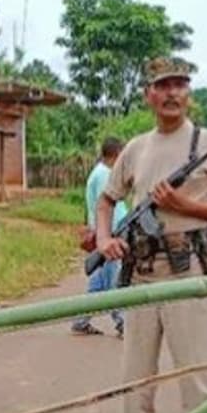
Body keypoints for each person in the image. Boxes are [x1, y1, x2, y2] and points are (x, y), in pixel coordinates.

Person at [95, 57, 207, 413]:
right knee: (136, 380)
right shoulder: (136, 148)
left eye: (179, 84)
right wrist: (104, 238)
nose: (172, 93)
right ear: (149, 94)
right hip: (142, 274)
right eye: (163, 85)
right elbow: (107, 200)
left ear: (189, 93)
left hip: (191, 274)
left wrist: (185, 206)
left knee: (201, 378)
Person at [72, 137, 126, 337]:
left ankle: (81, 321)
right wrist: (112, 235)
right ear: (116, 154)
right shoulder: (105, 175)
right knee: (114, 281)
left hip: (104, 235)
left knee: (98, 283)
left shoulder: (100, 173)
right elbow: (107, 208)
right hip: (109, 236)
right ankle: (122, 322)